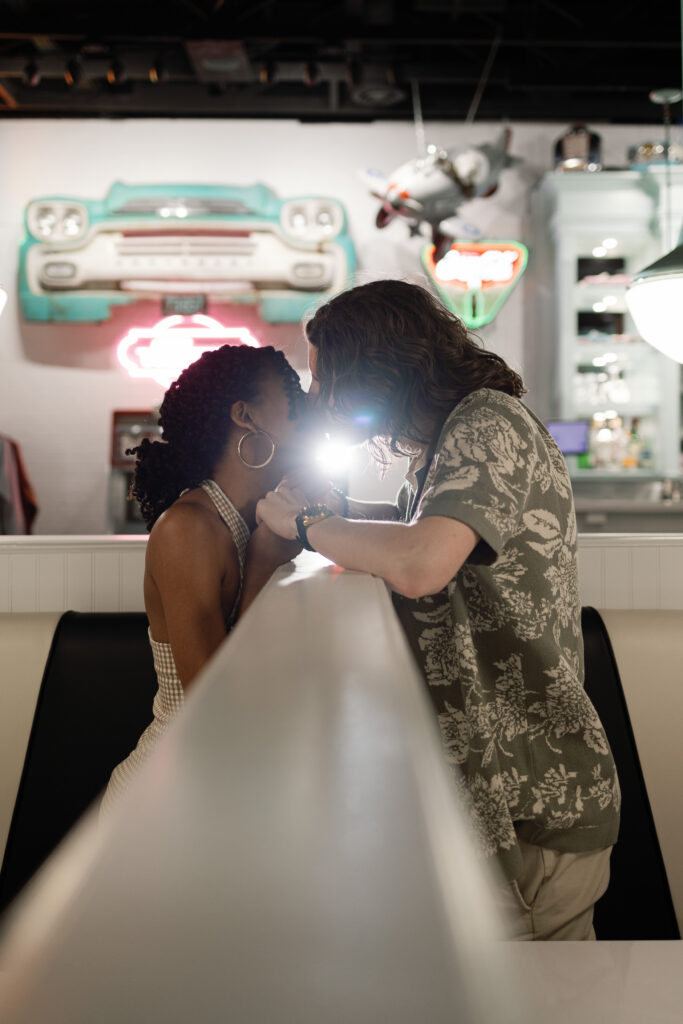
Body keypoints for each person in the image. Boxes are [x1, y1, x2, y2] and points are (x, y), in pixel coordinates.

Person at [256, 279, 621, 941]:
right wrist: (336, 513)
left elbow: (422, 562)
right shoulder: (448, 442)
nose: (319, 396)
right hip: (499, 790)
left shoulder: (488, 421)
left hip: (533, 797)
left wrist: (305, 523)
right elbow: (417, 542)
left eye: (325, 378)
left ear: (375, 368)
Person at [101, 343, 305, 812]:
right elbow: (213, 710)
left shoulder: (253, 515)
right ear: (245, 415)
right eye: (291, 390)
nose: (306, 402)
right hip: (167, 791)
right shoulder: (187, 528)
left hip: (224, 777)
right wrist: (263, 564)